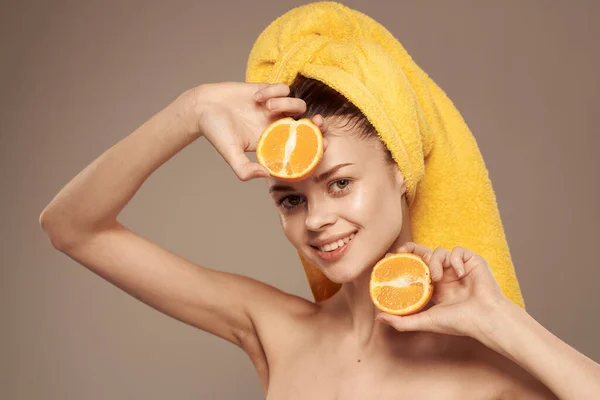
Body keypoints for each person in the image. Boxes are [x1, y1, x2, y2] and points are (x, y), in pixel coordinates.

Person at [40, 3, 600, 399]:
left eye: (339, 183)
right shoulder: (275, 331)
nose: (317, 220)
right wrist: (190, 110)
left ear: (401, 172)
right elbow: (72, 227)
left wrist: (502, 322)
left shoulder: (488, 371)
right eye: (289, 200)